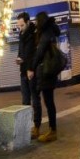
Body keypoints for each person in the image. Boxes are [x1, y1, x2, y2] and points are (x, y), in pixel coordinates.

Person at [27, 11, 61, 143]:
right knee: (49, 101)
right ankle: (52, 130)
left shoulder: (46, 34)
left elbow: (40, 52)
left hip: (46, 72)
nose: (35, 23)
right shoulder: (51, 32)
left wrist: (31, 67)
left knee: (48, 102)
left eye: (36, 21)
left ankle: (53, 131)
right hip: (49, 71)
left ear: (40, 21)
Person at [15, 12, 38, 138]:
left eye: (22, 25)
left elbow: (33, 54)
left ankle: (36, 126)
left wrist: (30, 68)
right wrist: (18, 58)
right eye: (18, 26)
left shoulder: (33, 34)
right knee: (25, 100)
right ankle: (26, 127)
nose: (20, 28)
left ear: (28, 22)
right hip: (23, 71)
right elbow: (21, 51)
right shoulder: (21, 34)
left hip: (31, 71)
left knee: (35, 99)